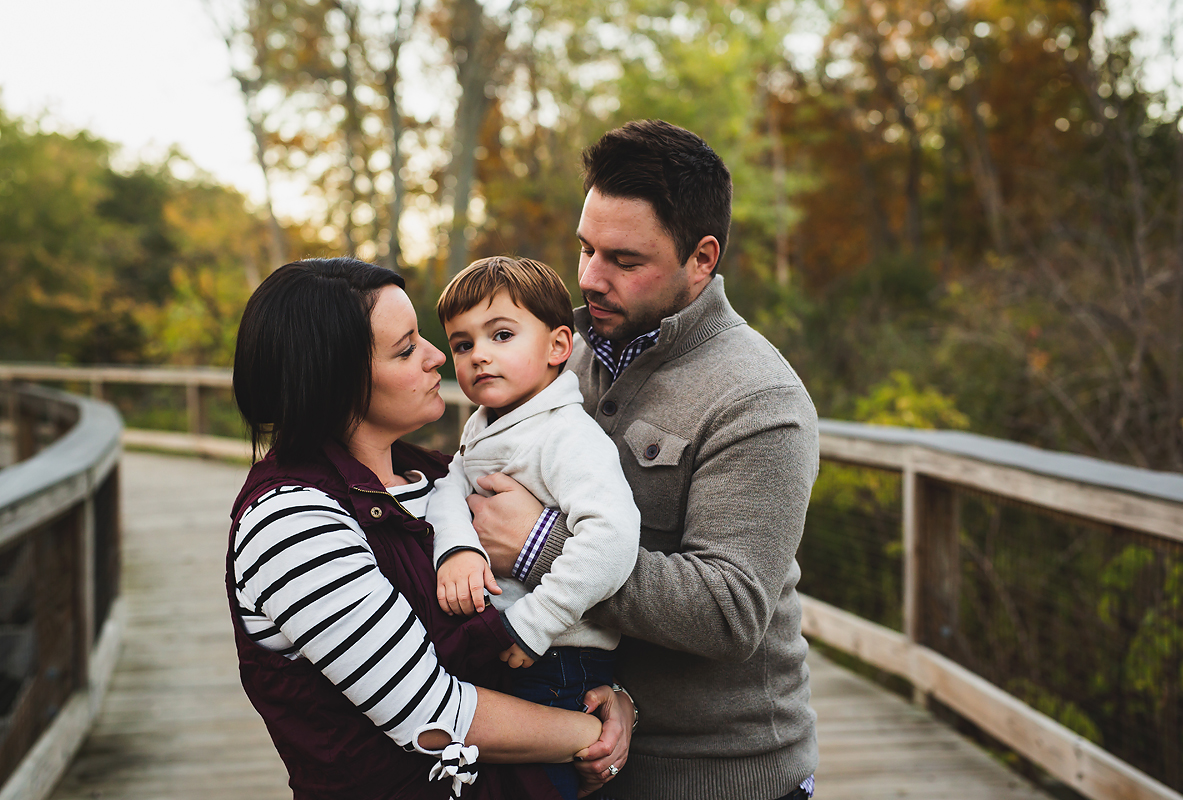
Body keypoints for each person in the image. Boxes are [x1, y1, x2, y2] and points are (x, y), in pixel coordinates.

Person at [466, 119, 820, 800]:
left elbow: (729, 611)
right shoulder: (547, 353)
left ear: (702, 258)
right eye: (585, 248)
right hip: (570, 751)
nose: (591, 277)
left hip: (717, 777)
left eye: (625, 261)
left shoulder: (759, 397)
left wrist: (542, 543)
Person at [227, 257, 633, 800]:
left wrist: (611, 696)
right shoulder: (291, 519)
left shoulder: (448, 476)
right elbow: (434, 715)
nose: (438, 356)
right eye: (406, 348)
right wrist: (598, 733)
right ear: (334, 379)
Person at [425, 255, 641, 800]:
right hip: (508, 647)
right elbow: (449, 486)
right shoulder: (486, 427)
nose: (479, 356)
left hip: (559, 657)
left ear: (557, 347)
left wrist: (537, 623)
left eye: (501, 335)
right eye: (463, 344)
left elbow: (612, 540)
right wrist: (457, 552)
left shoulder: (566, 436)